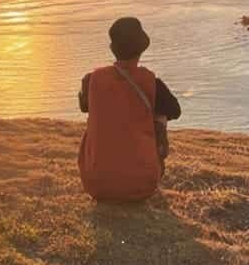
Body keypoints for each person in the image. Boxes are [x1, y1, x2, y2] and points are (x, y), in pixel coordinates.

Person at [77, 17, 181, 201]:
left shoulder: (91, 80)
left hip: (96, 185)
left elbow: (84, 107)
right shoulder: (152, 83)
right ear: (141, 49)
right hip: (142, 186)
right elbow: (175, 111)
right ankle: (144, 167)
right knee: (160, 115)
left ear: (113, 48)